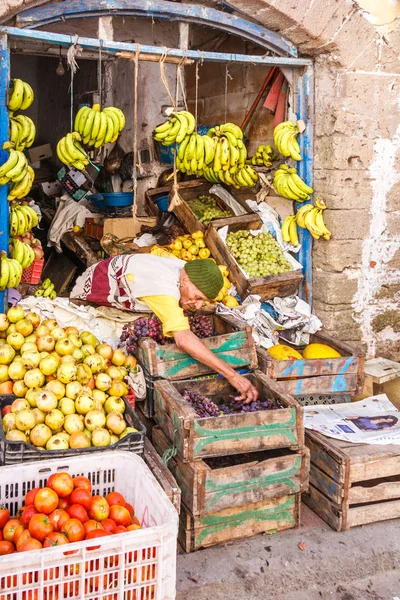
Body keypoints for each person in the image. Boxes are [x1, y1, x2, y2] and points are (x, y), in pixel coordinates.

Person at [71, 254, 258, 402]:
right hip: (87, 297)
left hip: (110, 287)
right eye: (198, 297)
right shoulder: (161, 287)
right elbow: (183, 339)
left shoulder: (182, 269)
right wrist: (232, 375)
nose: (199, 305)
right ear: (185, 282)